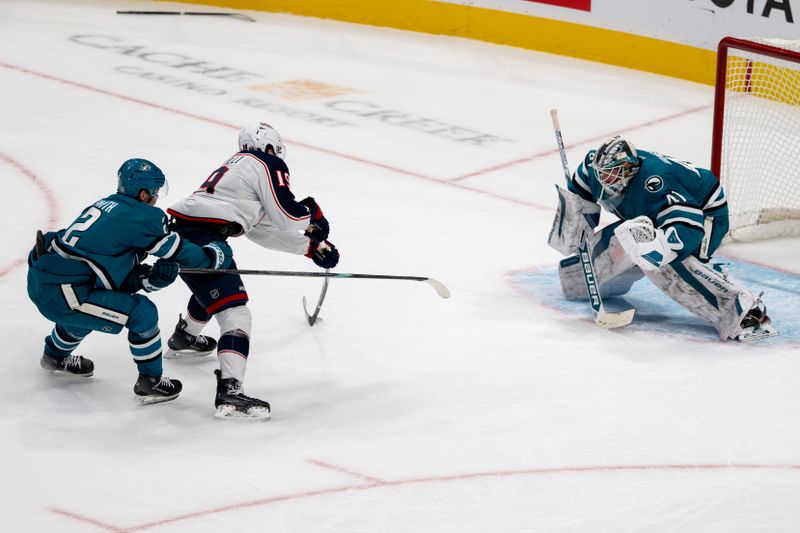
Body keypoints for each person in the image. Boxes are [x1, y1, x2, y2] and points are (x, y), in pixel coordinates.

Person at [164, 121, 340, 420]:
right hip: (204, 240)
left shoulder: (239, 169)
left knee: (218, 287)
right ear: (270, 147)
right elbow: (287, 215)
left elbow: (262, 231)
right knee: (236, 313)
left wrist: (310, 248)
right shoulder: (266, 162)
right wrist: (313, 215)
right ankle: (230, 392)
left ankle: (186, 337)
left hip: (182, 234)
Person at [27, 159, 232, 404]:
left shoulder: (108, 204)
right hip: (65, 294)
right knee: (141, 312)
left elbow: (111, 274)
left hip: (50, 283)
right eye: (155, 192)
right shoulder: (140, 217)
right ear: (143, 194)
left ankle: (54, 356)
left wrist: (151, 278)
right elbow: (183, 254)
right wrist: (214, 256)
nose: (157, 198)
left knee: (93, 311)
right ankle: (150, 381)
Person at [547, 136, 777, 341]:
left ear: (628, 170)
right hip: (654, 212)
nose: (604, 178)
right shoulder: (593, 168)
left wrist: (660, 248)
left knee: (666, 260)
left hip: (704, 213)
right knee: (628, 237)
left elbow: (689, 224)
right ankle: (576, 277)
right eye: (601, 173)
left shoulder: (655, 182)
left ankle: (740, 311)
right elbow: (580, 196)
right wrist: (575, 222)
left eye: (612, 173)